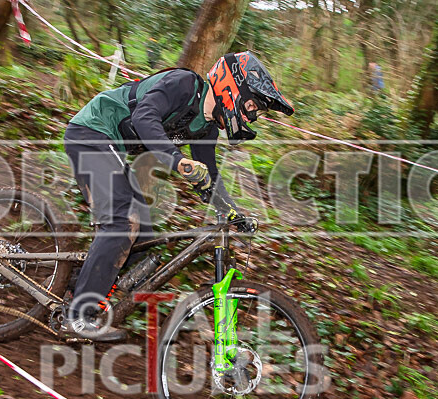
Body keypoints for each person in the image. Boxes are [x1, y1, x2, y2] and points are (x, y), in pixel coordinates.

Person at [62, 51, 294, 341]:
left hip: (113, 149)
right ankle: (78, 315)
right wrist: (177, 161)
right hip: (91, 132)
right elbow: (144, 117)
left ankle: (74, 285)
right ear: (231, 86)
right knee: (122, 224)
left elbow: (209, 178)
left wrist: (232, 212)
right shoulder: (183, 84)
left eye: (257, 112)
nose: (252, 115)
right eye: (252, 106)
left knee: (143, 242)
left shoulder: (206, 127)